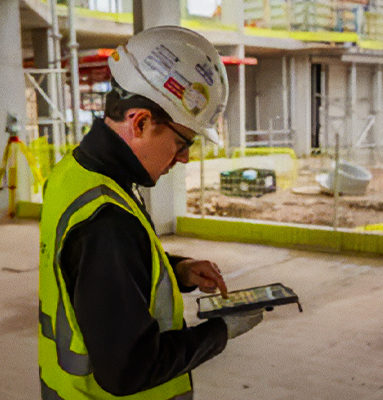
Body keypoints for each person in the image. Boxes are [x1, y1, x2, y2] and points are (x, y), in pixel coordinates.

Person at [38, 26, 262, 399]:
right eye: (182, 141)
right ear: (140, 123)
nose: (185, 156)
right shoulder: (108, 222)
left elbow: (98, 275)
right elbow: (129, 371)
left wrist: (177, 270)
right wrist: (221, 331)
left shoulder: (76, 174)